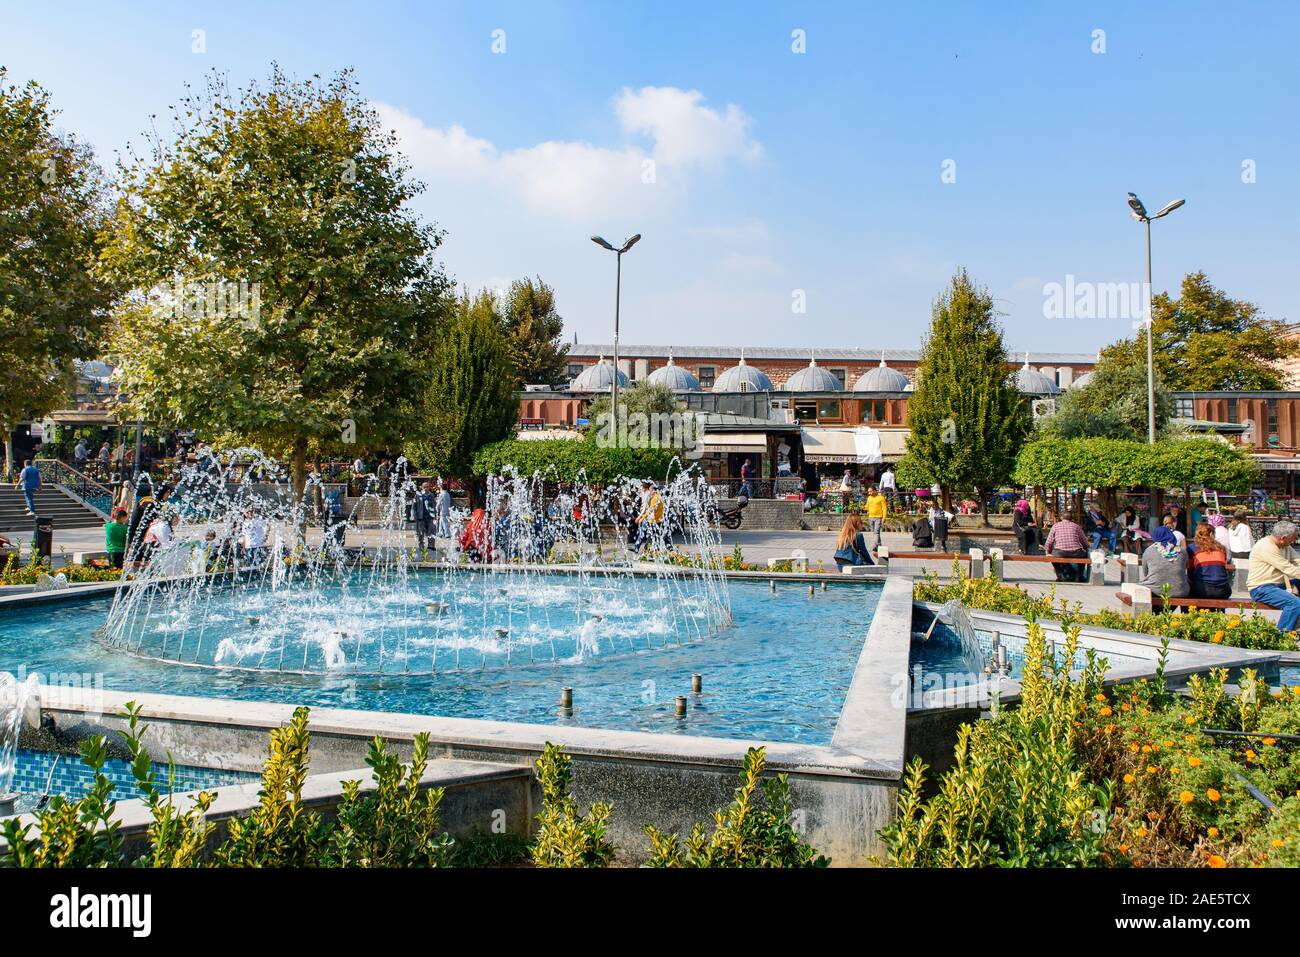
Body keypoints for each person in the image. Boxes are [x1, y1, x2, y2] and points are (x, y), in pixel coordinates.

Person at [1247, 520, 1300, 634]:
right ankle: (1281, 637)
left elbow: (1297, 561)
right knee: (1294, 604)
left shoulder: (1285, 545)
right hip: (1261, 588)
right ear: (1283, 537)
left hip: (1278, 585)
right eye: (1293, 538)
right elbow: (1287, 568)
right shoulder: (1266, 546)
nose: (1294, 541)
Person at [1140, 526, 1190, 598]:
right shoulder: (1182, 551)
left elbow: (1145, 573)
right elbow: (1184, 568)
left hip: (1155, 590)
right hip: (1180, 591)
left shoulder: (1149, 551)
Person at [1187, 523, 1232, 600]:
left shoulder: (1192, 548)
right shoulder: (1221, 548)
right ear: (1212, 534)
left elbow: (1189, 571)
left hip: (1202, 589)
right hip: (1223, 590)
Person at [1044, 510, 1090, 582]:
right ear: (1071, 518)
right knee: (1084, 555)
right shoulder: (1076, 526)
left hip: (1060, 552)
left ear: (1061, 518)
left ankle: (1060, 576)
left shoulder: (1055, 526)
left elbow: (1049, 542)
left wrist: (1048, 552)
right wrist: (1086, 548)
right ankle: (1079, 576)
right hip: (1076, 552)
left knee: (1053, 557)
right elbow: (1085, 542)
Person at [412, 481, 436, 552]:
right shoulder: (418, 495)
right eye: (424, 487)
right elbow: (414, 506)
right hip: (421, 517)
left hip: (430, 517)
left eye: (427, 487)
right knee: (421, 533)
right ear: (422, 487)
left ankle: (431, 546)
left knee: (431, 532)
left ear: (429, 487)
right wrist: (414, 515)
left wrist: (436, 514)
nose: (426, 488)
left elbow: (434, 506)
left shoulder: (431, 495)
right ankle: (421, 546)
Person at [865, 485, 887, 550]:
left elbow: (884, 508)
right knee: (874, 532)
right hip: (871, 517)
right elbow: (867, 506)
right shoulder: (869, 498)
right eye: (868, 492)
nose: (869, 493)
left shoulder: (881, 498)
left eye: (870, 491)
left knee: (876, 532)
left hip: (878, 517)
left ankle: (875, 546)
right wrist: (864, 507)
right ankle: (879, 545)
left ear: (875, 491)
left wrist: (884, 517)